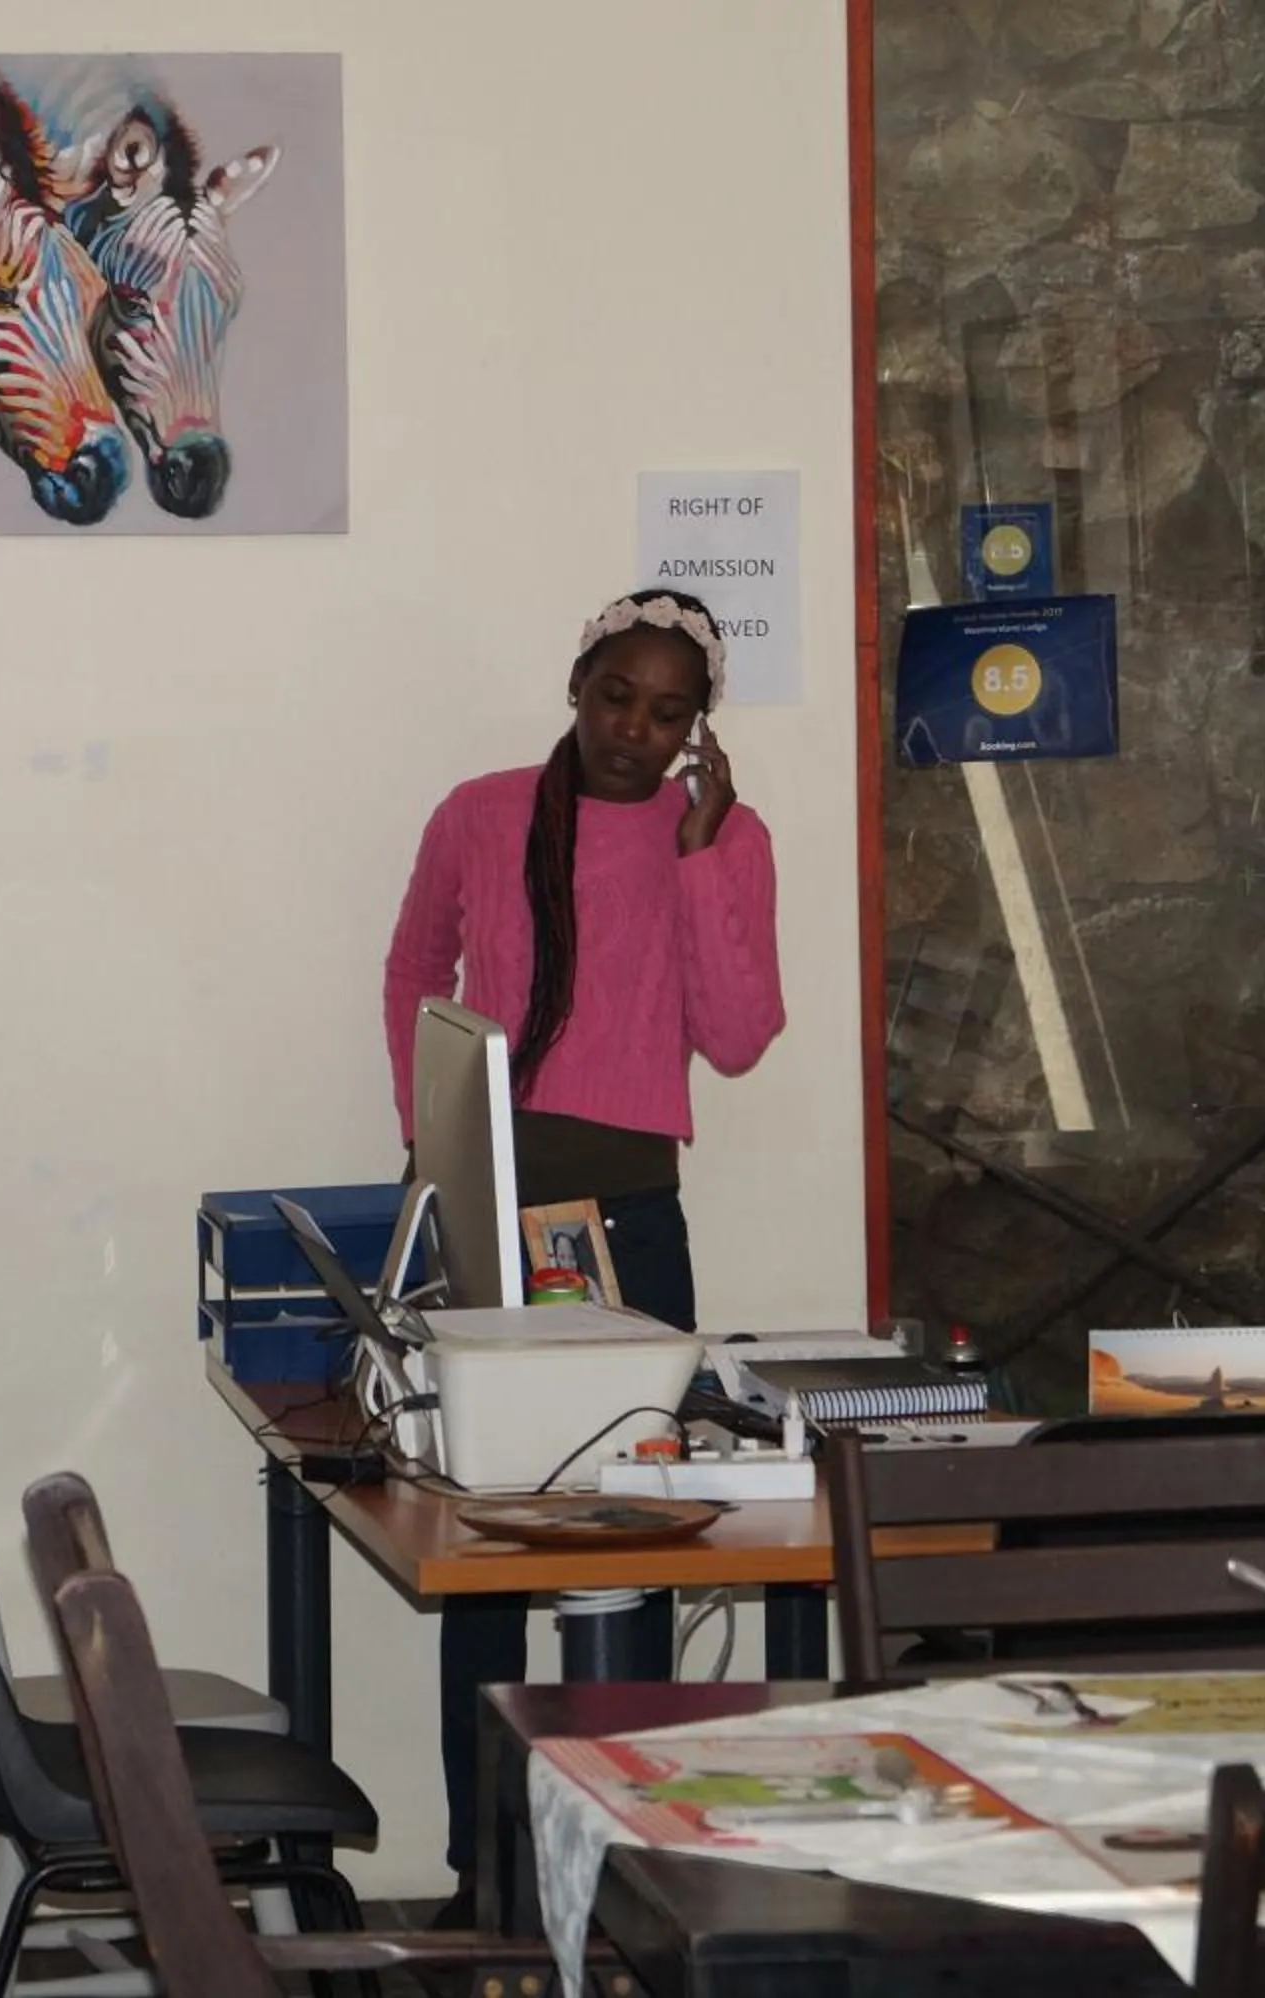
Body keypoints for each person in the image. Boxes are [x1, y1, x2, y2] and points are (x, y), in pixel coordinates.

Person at [380, 587, 785, 1915]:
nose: (633, 730)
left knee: (630, 1538)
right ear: (577, 684)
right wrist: (432, 1141)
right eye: (617, 695)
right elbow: (413, 973)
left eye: (667, 712)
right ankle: (486, 1869)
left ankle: (623, 1867)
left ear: (696, 728)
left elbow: (738, 1035)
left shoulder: (720, 836)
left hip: (630, 1223)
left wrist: (704, 855)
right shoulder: (481, 812)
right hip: (487, 1211)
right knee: (485, 1554)